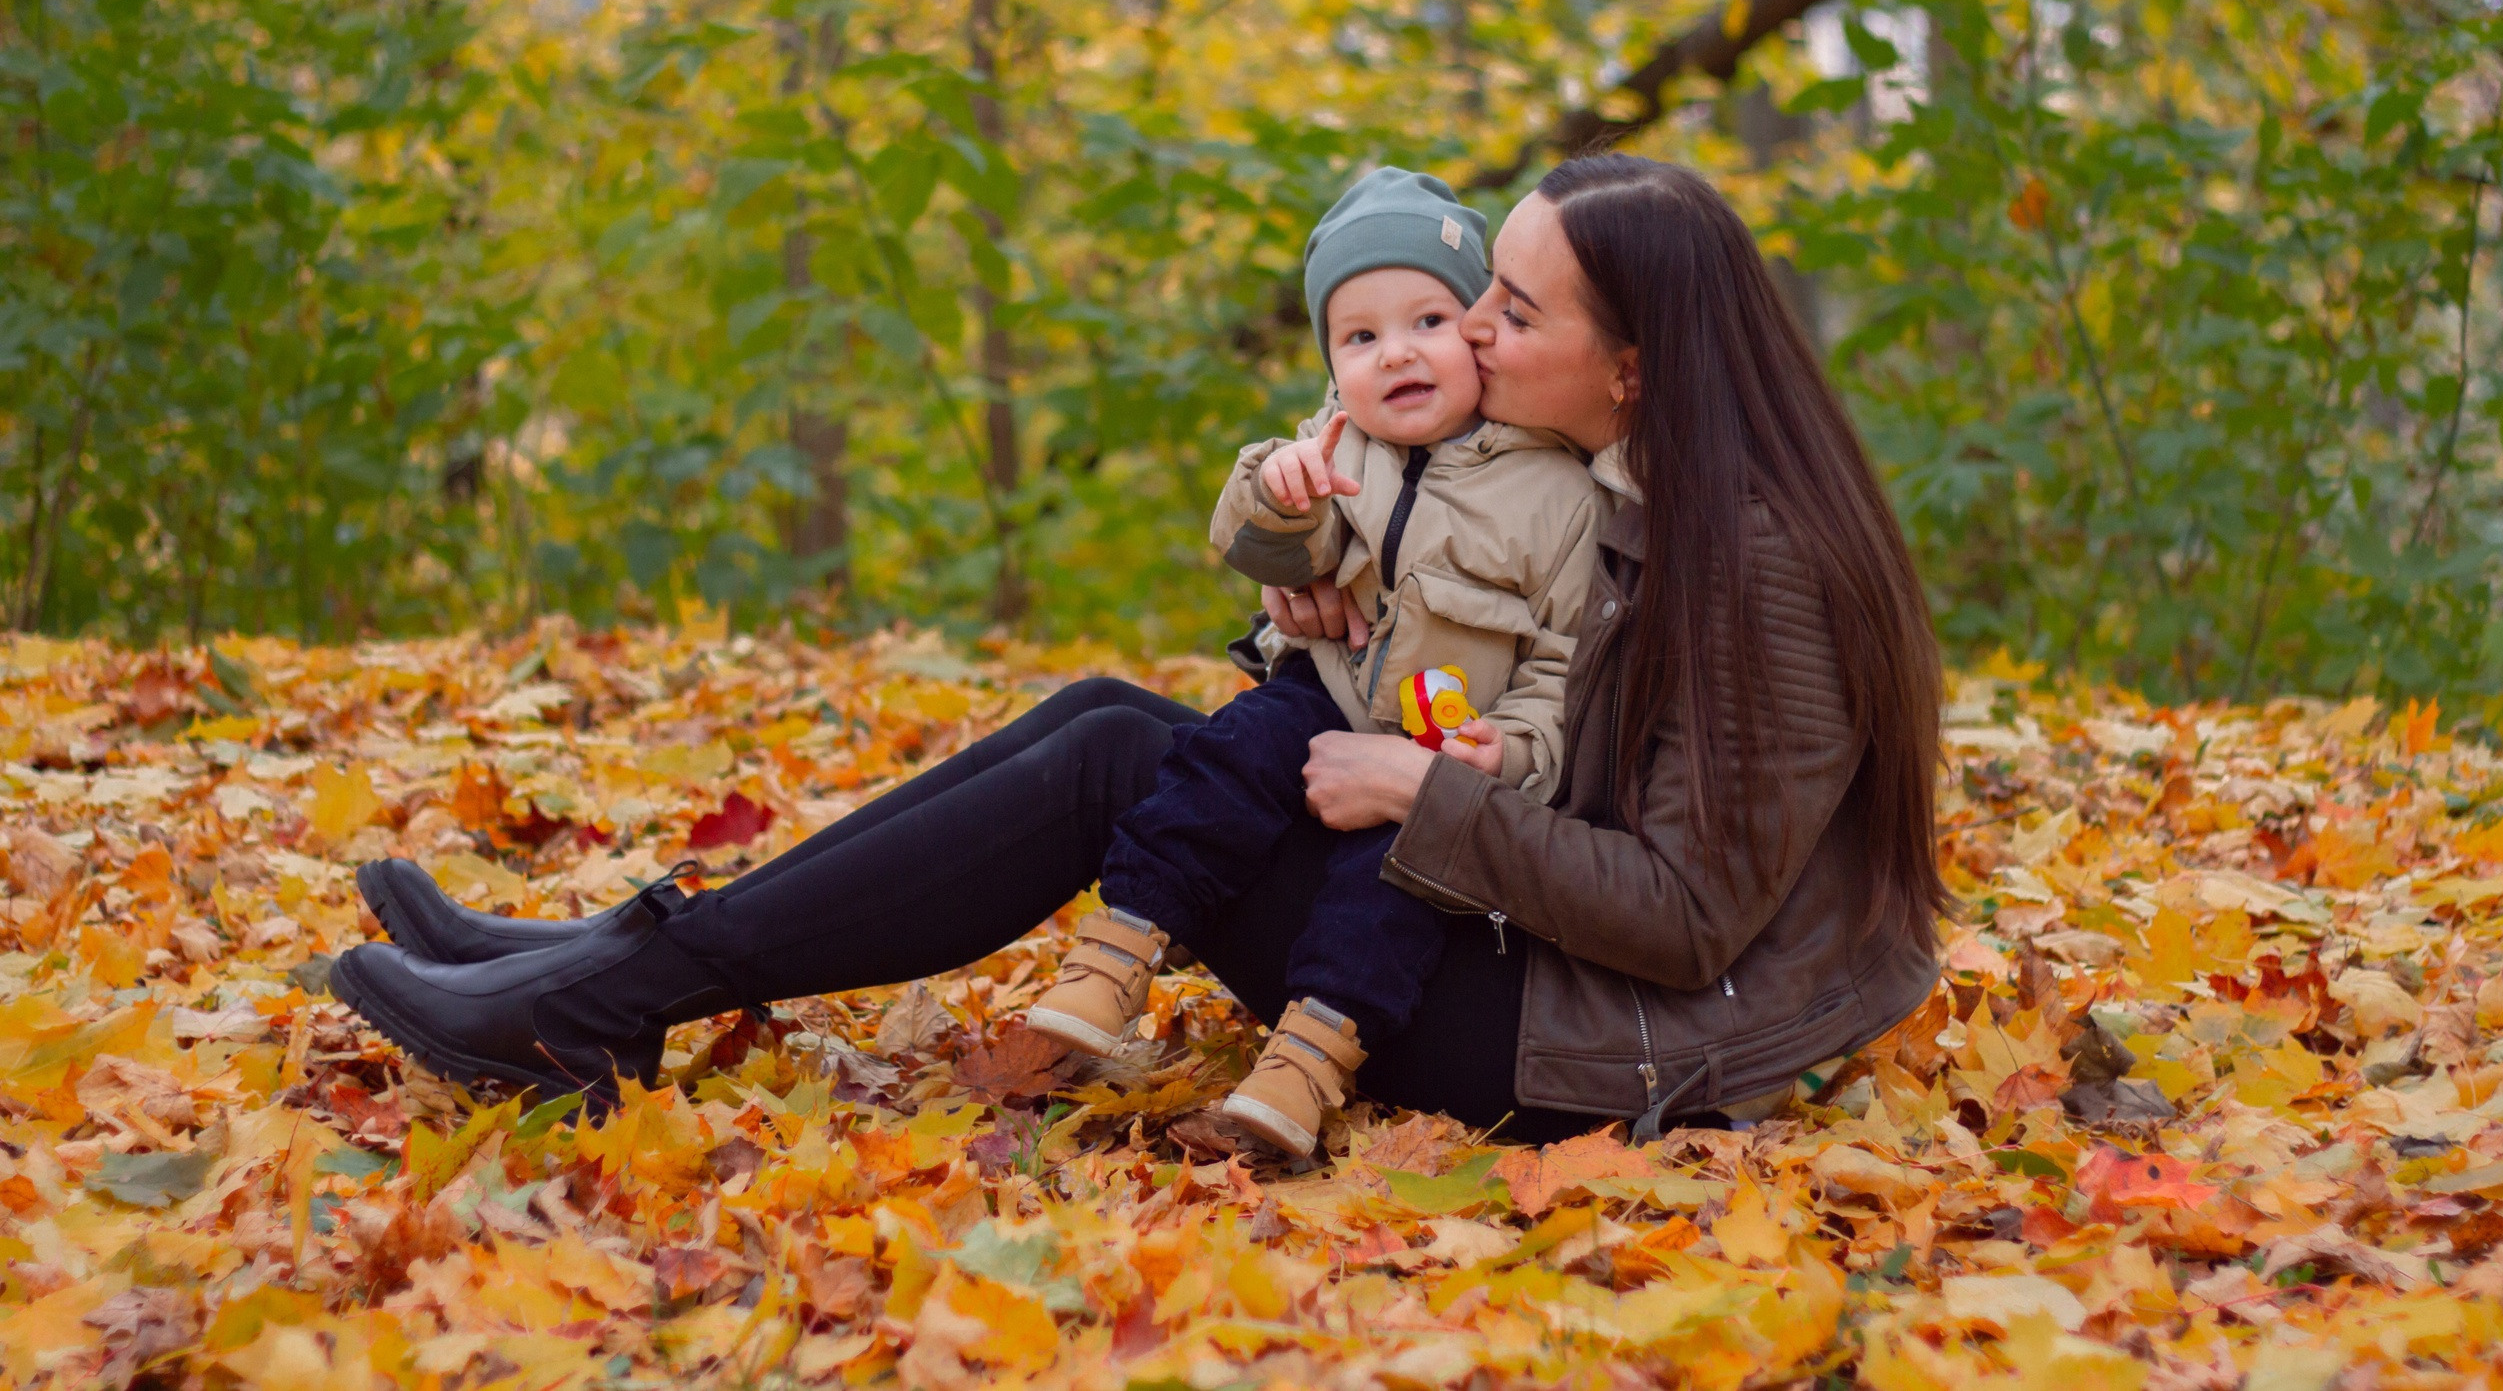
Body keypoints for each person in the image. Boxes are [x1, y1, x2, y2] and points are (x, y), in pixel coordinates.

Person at [332, 152, 1947, 1155]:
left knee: (1118, 758)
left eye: (1508, 315)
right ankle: (608, 964)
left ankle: (609, 992)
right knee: (1119, 715)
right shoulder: (1607, 480)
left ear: (1636, 369)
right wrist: (1308, 611)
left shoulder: (1760, 575)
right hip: (1501, 923)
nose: (1459, 337)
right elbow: (1471, 646)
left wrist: (1415, 788)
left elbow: (1686, 914)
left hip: (1586, 1035)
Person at [1019, 168, 1610, 1156]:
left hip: (1436, 754)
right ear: (1334, 364)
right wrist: (1278, 497)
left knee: (1392, 896)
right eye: (1361, 337)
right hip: (1320, 697)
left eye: (1427, 319)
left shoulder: (1555, 494)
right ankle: (1116, 953)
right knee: (1219, 760)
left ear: (1477, 333)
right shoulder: (1339, 445)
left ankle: (1306, 1064)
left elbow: (1558, 672)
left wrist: (1501, 755)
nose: (1397, 354)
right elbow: (1267, 547)